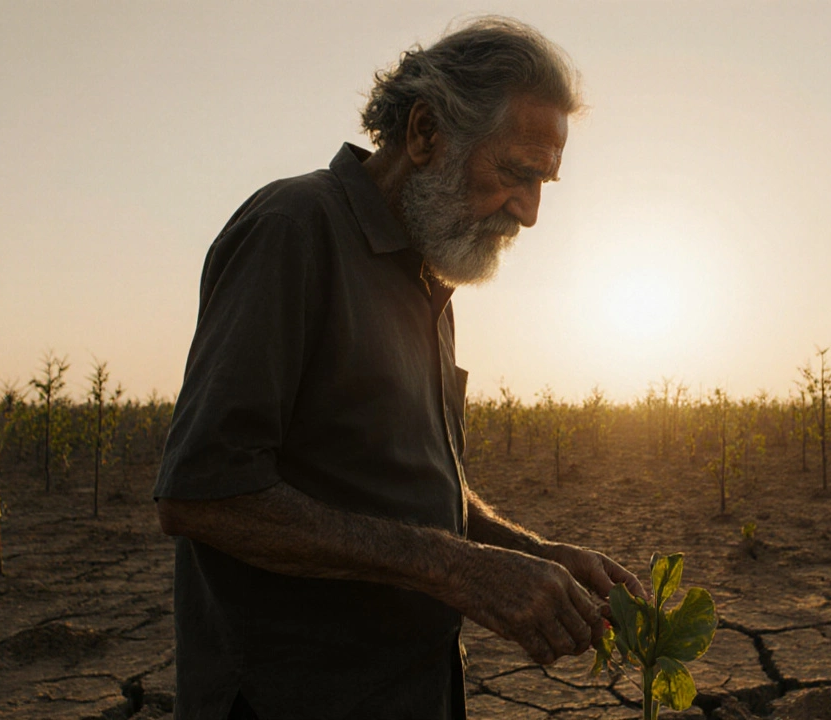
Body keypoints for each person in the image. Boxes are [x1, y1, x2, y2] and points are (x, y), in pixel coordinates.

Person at [153, 17, 644, 720]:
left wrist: (536, 552)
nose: (531, 213)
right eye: (516, 173)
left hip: (410, 691)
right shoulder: (294, 229)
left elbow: (414, 490)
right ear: (424, 134)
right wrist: (463, 571)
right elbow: (202, 494)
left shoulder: (431, 279)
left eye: (545, 183)